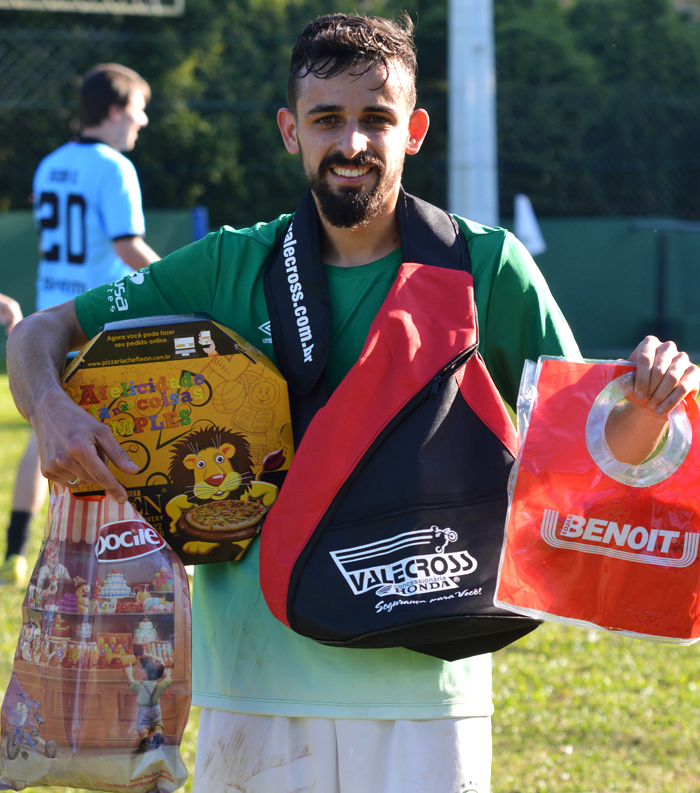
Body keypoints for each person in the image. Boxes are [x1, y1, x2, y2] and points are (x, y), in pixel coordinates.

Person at [6, 14, 699, 792]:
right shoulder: (233, 263)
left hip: (430, 688)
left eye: (376, 118)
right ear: (289, 130)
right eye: (326, 119)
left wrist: (649, 403)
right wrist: (52, 410)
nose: (352, 143)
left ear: (415, 130)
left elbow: (579, 463)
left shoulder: (488, 267)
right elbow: (39, 333)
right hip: (257, 690)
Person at [0, 64, 160, 588]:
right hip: (95, 323)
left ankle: (17, 553)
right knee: (120, 437)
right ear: (114, 111)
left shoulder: (50, 164)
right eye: (138, 108)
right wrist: (183, 284)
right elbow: (127, 247)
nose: (142, 120)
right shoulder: (115, 167)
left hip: (47, 323)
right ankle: (97, 560)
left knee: (41, 438)